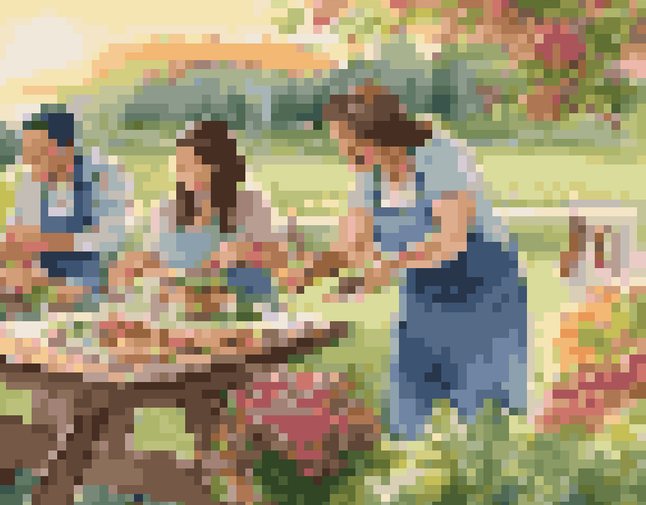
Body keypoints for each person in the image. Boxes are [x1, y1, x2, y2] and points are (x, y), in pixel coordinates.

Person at [317, 82, 528, 440]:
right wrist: (309, 270)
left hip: (484, 292)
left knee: (481, 419)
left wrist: (384, 266)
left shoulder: (439, 155)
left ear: (377, 135)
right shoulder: (369, 174)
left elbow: (452, 241)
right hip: (422, 296)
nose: (345, 153)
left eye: (350, 144)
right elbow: (351, 242)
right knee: (409, 409)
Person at [116, 119, 292, 313]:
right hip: (182, 309)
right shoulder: (168, 210)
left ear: (216, 165)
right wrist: (137, 266)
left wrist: (241, 253)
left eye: (189, 165)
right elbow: (157, 263)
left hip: (245, 306)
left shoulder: (250, 205)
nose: (182, 173)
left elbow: (278, 259)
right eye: (180, 166)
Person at [0, 105, 132, 310]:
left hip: (96, 287)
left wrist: (42, 241)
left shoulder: (103, 177)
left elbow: (110, 241)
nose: (31, 162)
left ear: (67, 149)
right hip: (43, 282)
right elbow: (16, 233)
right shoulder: (32, 184)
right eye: (28, 154)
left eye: (39, 154)